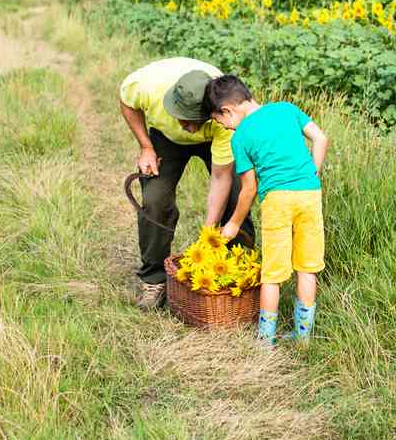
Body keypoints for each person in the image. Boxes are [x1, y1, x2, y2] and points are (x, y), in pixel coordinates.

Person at [119, 57, 255, 310]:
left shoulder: (224, 120)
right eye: (182, 118)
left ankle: (239, 272)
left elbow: (220, 177)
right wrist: (146, 147)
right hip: (164, 138)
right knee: (155, 200)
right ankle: (154, 279)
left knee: (236, 197)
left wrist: (209, 233)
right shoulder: (147, 87)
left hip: (213, 137)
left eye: (194, 120)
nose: (188, 128)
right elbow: (127, 102)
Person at [206, 75, 328, 345]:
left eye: (220, 122)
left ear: (228, 111)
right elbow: (320, 139)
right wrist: (313, 172)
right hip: (310, 194)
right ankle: (302, 338)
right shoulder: (286, 109)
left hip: (277, 202)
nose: (225, 128)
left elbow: (248, 189)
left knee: (272, 274)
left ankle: (265, 340)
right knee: (307, 268)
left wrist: (235, 223)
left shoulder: (241, 136)